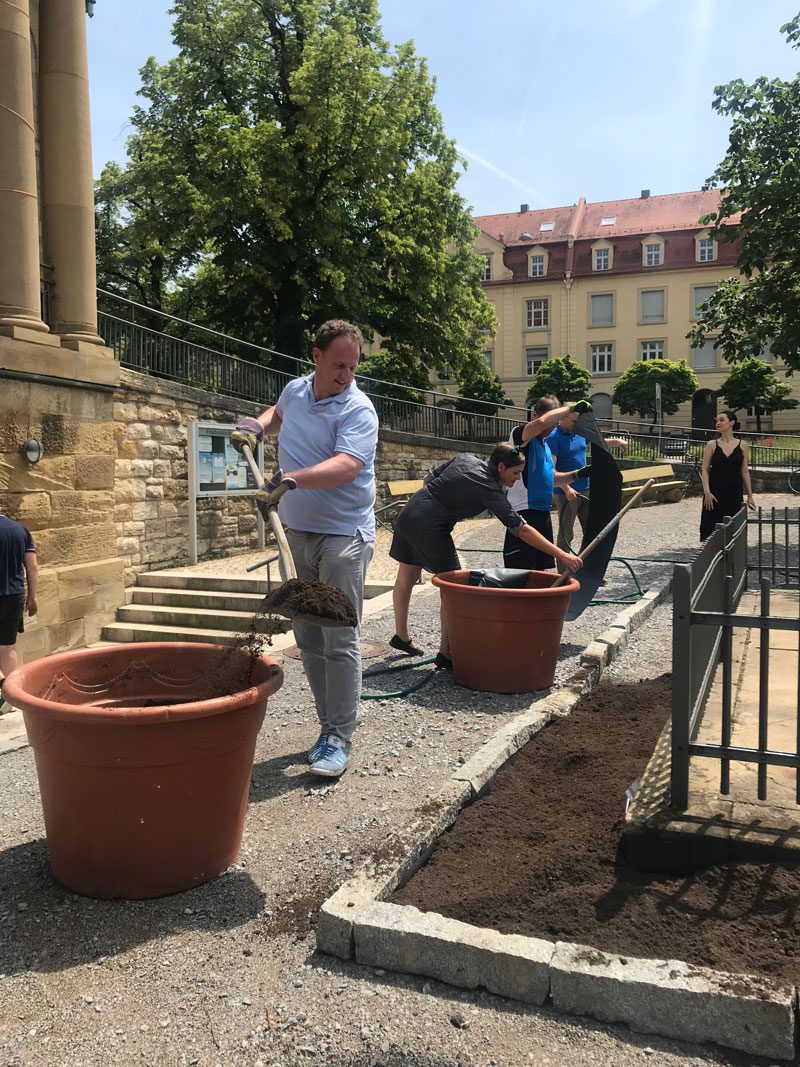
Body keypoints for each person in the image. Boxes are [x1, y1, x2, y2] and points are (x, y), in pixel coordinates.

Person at [231, 320, 378, 779]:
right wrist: (259, 424)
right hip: (297, 532)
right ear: (316, 357)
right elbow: (280, 411)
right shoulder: (297, 390)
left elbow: (346, 466)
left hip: (343, 537)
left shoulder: (358, 409)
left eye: (352, 366)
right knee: (309, 638)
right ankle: (327, 726)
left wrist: (291, 478)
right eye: (338, 364)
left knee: (339, 637)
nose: (346, 375)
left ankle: (340, 736)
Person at [389, 443, 583, 666]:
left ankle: (401, 636)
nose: (518, 479)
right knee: (455, 586)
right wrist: (562, 555)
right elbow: (522, 530)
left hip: (410, 512)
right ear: (501, 466)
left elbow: (428, 480)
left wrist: (440, 504)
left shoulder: (465, 458)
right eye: (516, 473)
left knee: (406, 578)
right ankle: (447, 653)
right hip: (431, 526)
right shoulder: (489, 488)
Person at [503, 396, 593, 570]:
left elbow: (550, 480)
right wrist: (571, 407)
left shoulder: (545, 446)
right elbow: (543, 422)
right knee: (521, 574)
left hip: (542, 514)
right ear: (533, 415)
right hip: (523, 514)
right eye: (551, 422)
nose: (550, 428)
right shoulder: (520, 437)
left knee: (540, 573)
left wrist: (577, 474)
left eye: (554, 424)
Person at [547, 412, 629, 552]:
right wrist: (567, 489)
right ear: (563, 418)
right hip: (566, 493)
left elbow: (596, 442)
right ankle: (564, 571)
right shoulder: (554, 437)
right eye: (573, 421)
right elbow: (552, 470)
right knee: (566, 534)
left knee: (592, 530)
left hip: (585, 488)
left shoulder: (578, 432)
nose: (576, 424)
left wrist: (616, 441)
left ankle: (585, 567)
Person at [700, 409, 755, 540]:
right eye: (717, 421)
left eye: (721, 420)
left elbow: (744, 471)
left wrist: (750, 496)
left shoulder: (742, 445)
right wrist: (707, 492)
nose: (718, 423)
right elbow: (705, 469)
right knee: (710, 531)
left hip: (734, 493)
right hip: (714, 493)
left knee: (732, 530)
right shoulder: (711, 445)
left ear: (731, 423)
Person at [0, 511, 37, 706]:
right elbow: (32, 567)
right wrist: (33, 597)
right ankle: (14, 694)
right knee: (7, 646)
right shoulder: (20, 530)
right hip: (15, 595)